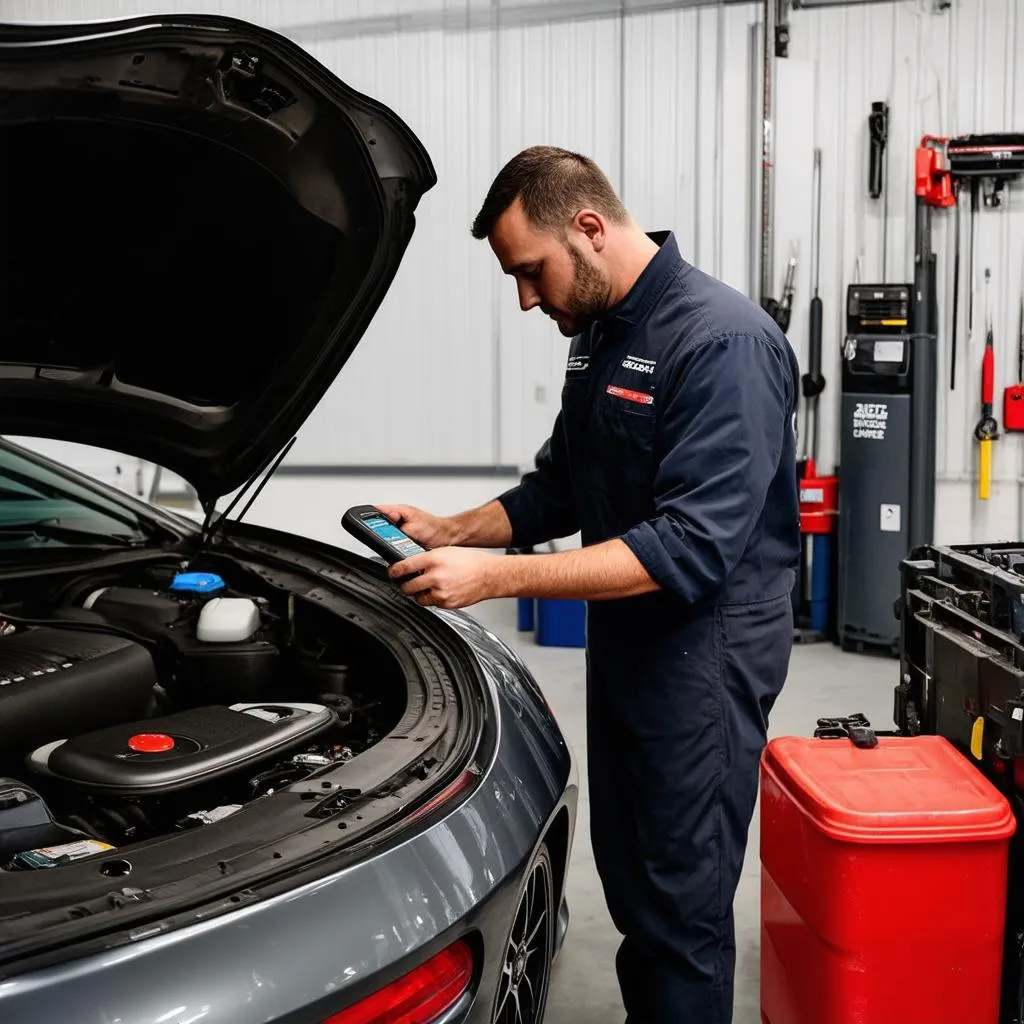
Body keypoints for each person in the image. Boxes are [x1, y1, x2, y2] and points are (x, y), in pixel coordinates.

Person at [378, 145, 800, 1024]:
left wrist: (492, 577)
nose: (528, 299)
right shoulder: (604, 335)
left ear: (591, 228)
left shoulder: (723, 342)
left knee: (679, 908)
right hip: (630, 647)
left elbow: (690, 546)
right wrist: (451, 531)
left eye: (530, 272)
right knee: (632, 881)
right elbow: (558, 489)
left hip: (703, 663)